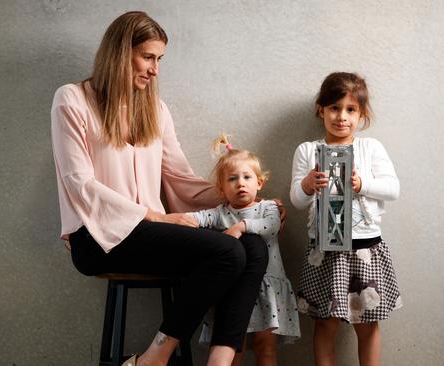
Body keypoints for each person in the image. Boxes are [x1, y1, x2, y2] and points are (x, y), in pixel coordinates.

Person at [51, 11, 278, 366]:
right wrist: (153, 216)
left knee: (251, 244)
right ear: (119, 52)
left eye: (159, 60)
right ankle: (157, 356)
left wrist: (243, 199)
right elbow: (78, 183)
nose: (155, 69)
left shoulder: (155, 110)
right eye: (148, 57)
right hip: (97, 238)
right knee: (227, 253)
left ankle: (219, 360)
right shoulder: (72, 100)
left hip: (153, 231)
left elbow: (180, 179)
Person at [290, 72, 402, 366]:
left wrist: (361, 184)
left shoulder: (370, 148)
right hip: (324, 253)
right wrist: (307, 185)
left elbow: (393, 189)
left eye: (351, 109)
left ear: (361, 114)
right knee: (325, 323)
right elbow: (296, 201)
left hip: (364, 250)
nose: (342, 117)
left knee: (366, 324)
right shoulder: (307, 150)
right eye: (334, 108)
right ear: (321, 110)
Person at [187, 134, 301, 366]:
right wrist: (162, 220)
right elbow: (195, 219)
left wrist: (242, 226)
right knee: (233, 347)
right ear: (221, 187)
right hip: (233, 292)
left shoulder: (268, 208)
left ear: (259, 183)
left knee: (265, 348)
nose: (240, 183)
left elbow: (270, 228)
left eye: (247, 177)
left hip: (267, 289)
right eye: (232, 179)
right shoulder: (220, 213)